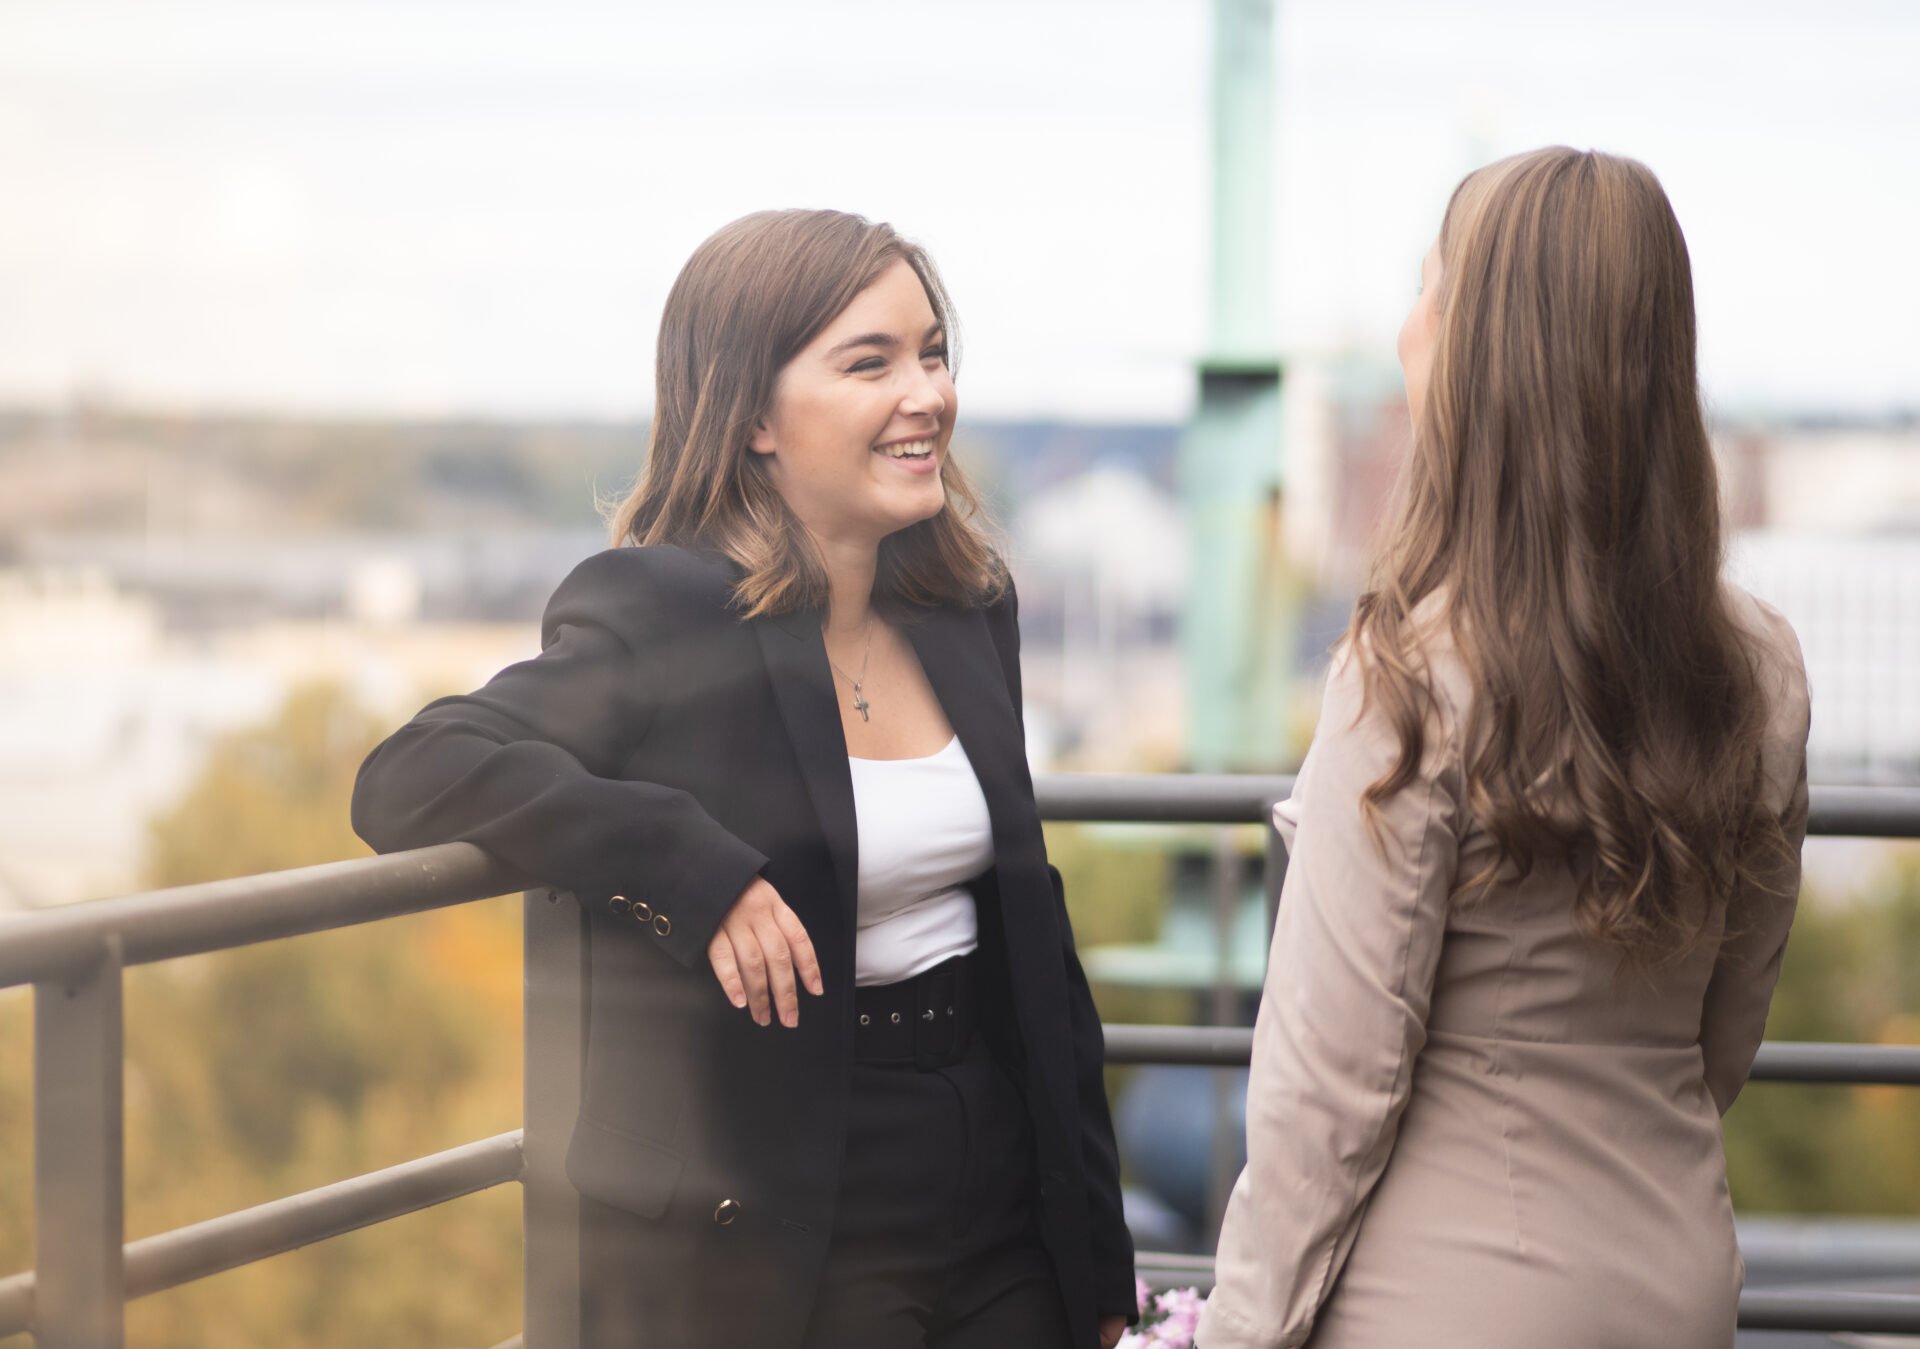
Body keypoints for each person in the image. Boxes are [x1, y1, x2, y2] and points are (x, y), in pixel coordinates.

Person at [350, 210, 1136, 1349]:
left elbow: (1035, 935)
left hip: (996, 1174)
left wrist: (1094, 1239)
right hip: (793, 1200)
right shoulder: (663, 607)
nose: (926, 394)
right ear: (754, 414)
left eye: (932, 352)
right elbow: (412, 772)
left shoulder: (967, 607)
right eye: (871, 363)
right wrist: (688, 863)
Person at [1196, 147, 1811, 1349]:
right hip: (1674, 1272)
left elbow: (1331, 1082)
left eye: (1431, 288)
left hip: (1441, 1298)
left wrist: (1235, 1331)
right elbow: (1725, 1032)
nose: (1404, 326)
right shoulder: (1761, 662)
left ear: (1483, 350)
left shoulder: (1409, 673)